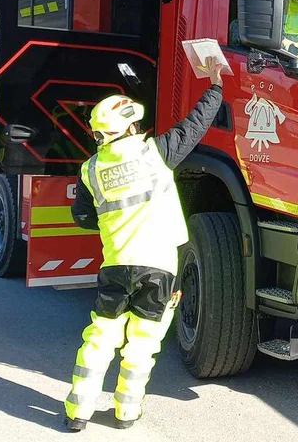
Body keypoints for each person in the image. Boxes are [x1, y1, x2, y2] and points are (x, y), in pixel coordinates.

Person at [62, 57, 225, 432]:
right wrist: (215, 85)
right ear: (130, 126)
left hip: (116, 264)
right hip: (159, 267)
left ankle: (77, 412)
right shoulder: (156, 154)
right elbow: (196, 124)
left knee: (100, 338)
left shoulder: (90, 169)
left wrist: (114, 223)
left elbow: (82, 216)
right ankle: (126, 413)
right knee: (142, 345)